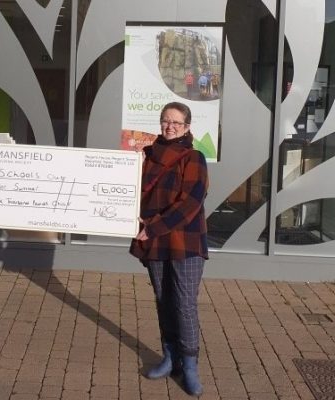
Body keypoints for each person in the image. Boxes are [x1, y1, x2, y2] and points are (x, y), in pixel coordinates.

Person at [130, 102, 208, 396]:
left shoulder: (194, 158)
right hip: (156, 240)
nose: (170, 126)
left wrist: (153, 227)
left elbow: (190, 205)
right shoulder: (147, 155)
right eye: (166, 120)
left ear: (187, 127)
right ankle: (170, 356)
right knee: (163, 299)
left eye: (176, 122)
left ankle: (189, 366)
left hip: (185, 242)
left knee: (184, 304)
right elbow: (131, 191)